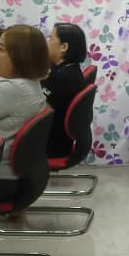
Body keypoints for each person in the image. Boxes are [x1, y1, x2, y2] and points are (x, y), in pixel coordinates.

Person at [0, 25, 48, 200]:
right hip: (18, 177)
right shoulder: (31, 83)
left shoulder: (12, 89)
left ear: (20, 56)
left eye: (1, 49)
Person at [43, 23, 88, 159]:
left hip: (51, 145)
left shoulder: (64, 77)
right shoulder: (69, 69)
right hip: (59, 140)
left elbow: (37, 109)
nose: (46, 42)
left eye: (50, 38)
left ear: (63, 47)